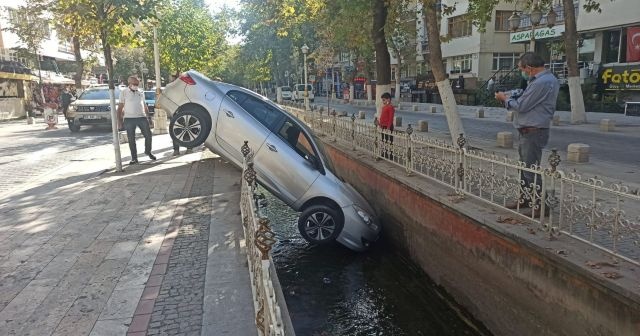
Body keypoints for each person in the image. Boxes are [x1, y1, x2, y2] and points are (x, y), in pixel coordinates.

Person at [495, 52, 559, 217]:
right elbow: (523, 96)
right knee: (523, 168)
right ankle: (525, 198)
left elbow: (522, 106)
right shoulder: (538, 81)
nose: (521, 72)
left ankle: (540, 205)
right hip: (527, 130)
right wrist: (510, 95)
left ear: (529, 68)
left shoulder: (542, 82)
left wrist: (504, 99)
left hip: (534, 131)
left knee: (530, 169)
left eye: (521, 69)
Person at [118, 76, 156, 165]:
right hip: (129, 119)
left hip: (141, 117)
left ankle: (148, 151)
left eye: (137, 84)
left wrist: (149, 118)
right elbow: (120, 108)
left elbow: (145, 105)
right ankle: (134, 158)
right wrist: (119, 121)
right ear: (129, 84)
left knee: (148, 135)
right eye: (134, 84)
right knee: (131, 139)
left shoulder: (140, 92)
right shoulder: (124, 92)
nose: (136, 86)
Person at [379, 92, 395, 159]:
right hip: (383, 126)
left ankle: (390, 154)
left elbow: (390, 118)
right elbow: (382, 117)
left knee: (390, 141)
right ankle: (384, 152)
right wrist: (380, 124)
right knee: (384, 140)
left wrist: (388, 127)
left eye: (384, 100)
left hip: (388, 126)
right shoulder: (384, 107)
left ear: (388, 99)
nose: (383, 101)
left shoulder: (390, 107)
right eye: (382, 100)